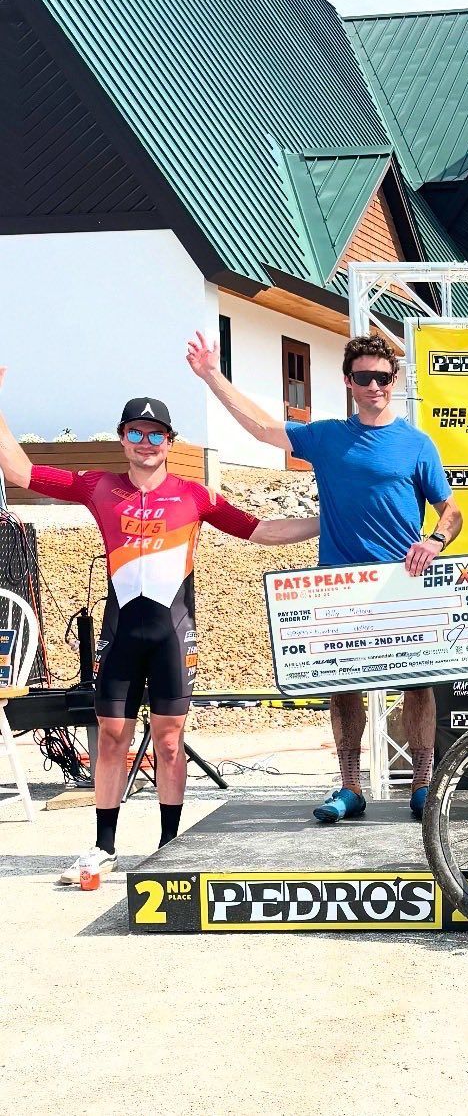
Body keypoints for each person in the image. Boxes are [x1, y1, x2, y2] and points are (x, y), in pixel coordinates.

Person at [0, 369, 318, 883]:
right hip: (121, 631)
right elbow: (19, 471)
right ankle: (104, 845)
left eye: (155, 435)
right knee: (110, 737)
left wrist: (332, 520)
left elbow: (261, 531)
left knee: (169, 743)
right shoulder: (98, 486)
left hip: (174, 632)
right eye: (135, 433)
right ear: (122, 439)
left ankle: (170, 846)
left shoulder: (194, 495)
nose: (145, 443)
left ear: (170, 442)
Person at [189, 332, 460, 823]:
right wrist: (212, 375)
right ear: (348, 383)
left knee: (417, 687)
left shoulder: (418, 444)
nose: (374, 385)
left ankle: (423, 786)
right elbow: (263, 429)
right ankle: (350, 788)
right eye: (364, 377)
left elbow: (452, 512)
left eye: (382, 376)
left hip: (403, 582)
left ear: (394, 381)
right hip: (337, 583)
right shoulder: (328, 435)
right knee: (343, 687)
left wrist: (435, 541)